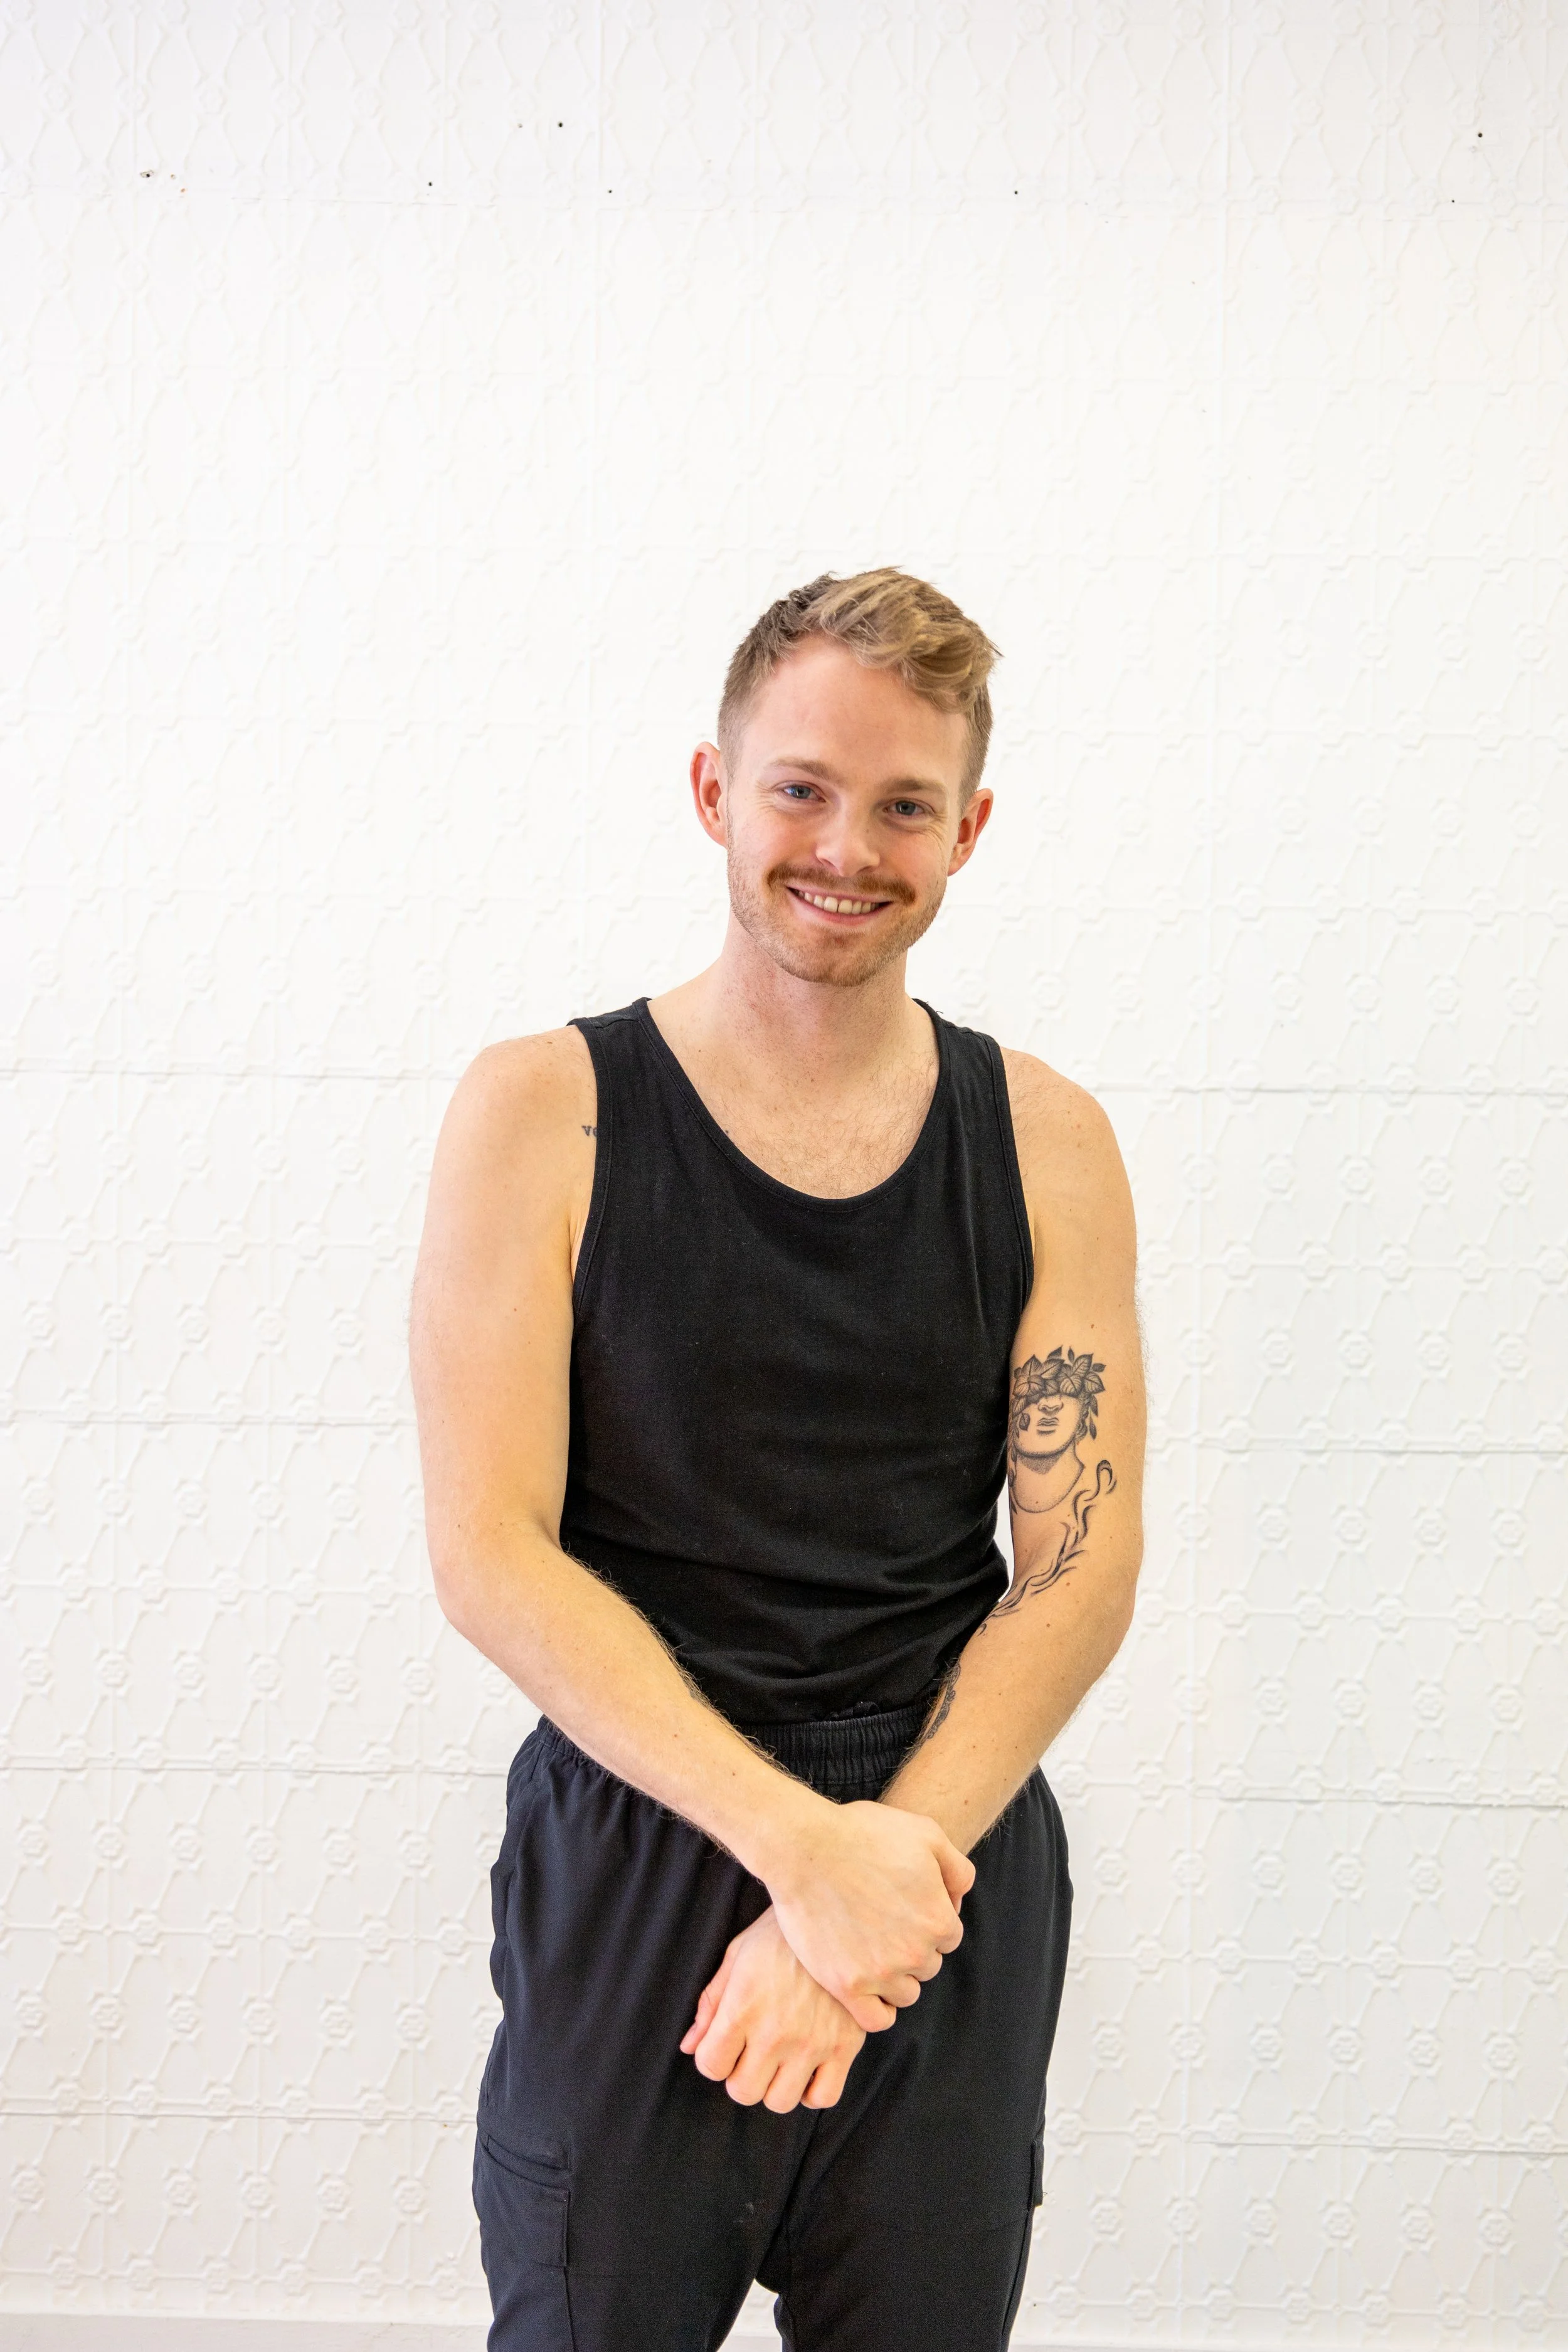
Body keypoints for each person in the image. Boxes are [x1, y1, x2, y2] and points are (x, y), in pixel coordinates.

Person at [409, 568, 1145, 2351]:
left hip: (939, 1853)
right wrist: (799, 1858)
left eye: (904, 805)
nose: (846, 847)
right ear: (713, 791)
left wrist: (876, 1863)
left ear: (967, 830)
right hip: (643, 1840)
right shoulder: (543, 1111)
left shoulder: (1046, 1139)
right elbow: (491, 1551)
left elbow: (1076, 1568)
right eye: (801, 788)